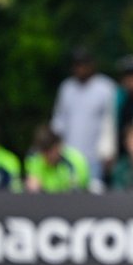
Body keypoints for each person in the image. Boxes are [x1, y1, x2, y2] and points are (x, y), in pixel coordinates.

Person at [50, 47, 115, 191]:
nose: (79, 68)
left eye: (83, 64)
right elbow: (58, 121)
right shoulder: (66, 88)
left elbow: (110, 124)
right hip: (68, 157)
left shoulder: (106, 88)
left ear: (92, 64)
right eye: (76, 65)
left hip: (94, 158)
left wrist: (108, 151)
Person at [25, 125, 90, 193]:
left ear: (58, 146)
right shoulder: (36, 160)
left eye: (50, 151)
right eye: (43, 152)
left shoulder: (75, 161)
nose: (46, 157)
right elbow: (33, 187)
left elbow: (79, 191)